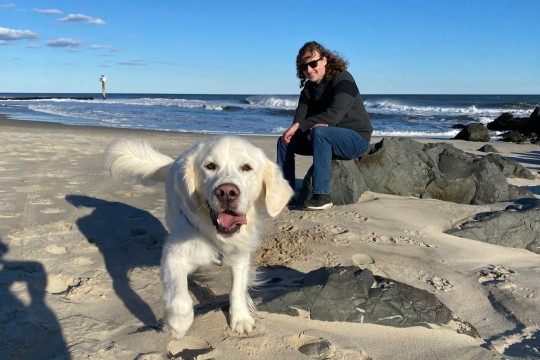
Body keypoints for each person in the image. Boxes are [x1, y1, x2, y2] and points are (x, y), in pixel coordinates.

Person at [277, 41, 373, 210]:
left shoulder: (343, 79)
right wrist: (294, 131)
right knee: (285, 140)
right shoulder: (308, 89)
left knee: (320, 132)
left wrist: (305, 126)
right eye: (304, 66)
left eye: (313, 63)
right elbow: (298, 122)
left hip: (355, 139)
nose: (309, 69)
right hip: (324, 139)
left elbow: (334, 115)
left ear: (325, 60)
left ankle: (322, 196)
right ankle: (286, 194)